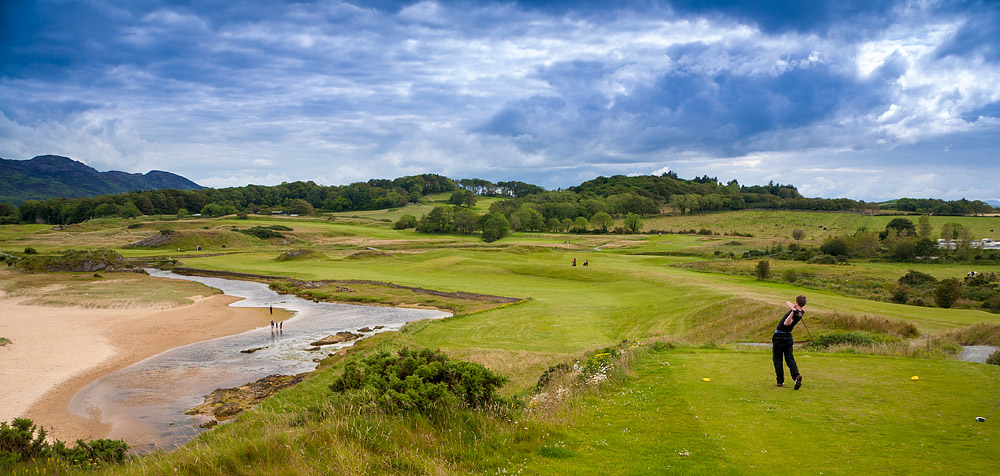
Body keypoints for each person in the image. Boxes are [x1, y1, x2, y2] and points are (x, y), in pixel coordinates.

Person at [773, 295, 807, 389]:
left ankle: (780, 381)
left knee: (778, 359)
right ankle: (796, 377)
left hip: (780, 336)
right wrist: (794, 309)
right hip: (788, 337)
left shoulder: (797, 314)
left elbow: (786, 323)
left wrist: (792, 312)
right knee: (789, 358)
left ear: (797, 302)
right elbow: (787, 302)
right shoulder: (799, 310)